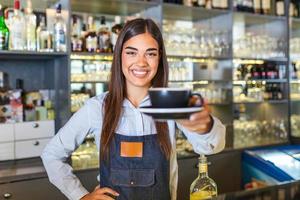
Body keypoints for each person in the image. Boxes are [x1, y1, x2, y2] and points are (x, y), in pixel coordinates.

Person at [41, 18, 226, 200]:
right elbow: (52, 154)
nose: (141, 62)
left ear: (159, 58)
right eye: (132, 52)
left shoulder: (171, 102)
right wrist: (81, 196)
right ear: (119, 55)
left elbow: (211, 147)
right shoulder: (97, 108)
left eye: (150, 53)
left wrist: (205, 126)